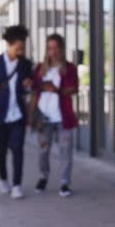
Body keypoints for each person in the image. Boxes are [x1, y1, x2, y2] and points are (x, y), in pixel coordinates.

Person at [0, 25, 33, 199]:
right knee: (1, 149)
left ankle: (17, 185)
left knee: (17, 149)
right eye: (18, 47)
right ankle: (3, 179)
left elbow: (28, 87)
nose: (21, 50)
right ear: (9, 44)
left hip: (18, 113)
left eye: (22, 47)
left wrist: (28, 85)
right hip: (0, 114)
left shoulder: (25, 64)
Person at [29, 33, 79, 197]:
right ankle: (43, 176)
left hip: (63, 116)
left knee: (66, 151)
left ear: (61, 49)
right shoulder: (39, 69)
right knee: (43, 151)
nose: (53, 52)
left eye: (56, 48)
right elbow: (35, 93)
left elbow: (74, 89)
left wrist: (56, 90)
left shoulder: (69, 68)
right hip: (44, 117)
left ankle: (65, 183)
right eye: (50, 48)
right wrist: (30, 116)